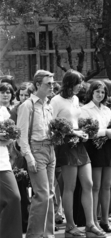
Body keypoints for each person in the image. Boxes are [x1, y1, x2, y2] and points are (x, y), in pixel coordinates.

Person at [50, 69, 106, 238]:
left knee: (88, 184)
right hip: (66, 145)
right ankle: (70, 225)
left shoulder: (75, 99)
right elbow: (52, 125)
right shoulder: (56, 101)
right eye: (79, 82)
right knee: (70, 187)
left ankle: (90, 224)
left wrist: (84, 130)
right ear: (70, 83)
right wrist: (72, 133)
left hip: (80, 144)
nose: (82, 85)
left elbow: (76, 120)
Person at [17, 69, 56, 238]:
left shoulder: (48, 104)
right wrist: (29, 156)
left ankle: (48, 234)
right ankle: (34, 235)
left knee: (49, 193)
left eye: (53, 83)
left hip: (50, 149)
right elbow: (21, 135)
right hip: (37, 149)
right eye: (49, 84)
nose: (52, 86)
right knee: (41, 194)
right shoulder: (27, 105)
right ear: (38, 85)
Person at [81, 81, 111, 233]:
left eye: (103, 92)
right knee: (95, 186)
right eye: (97, 91)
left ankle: (104, 219)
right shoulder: (85, 109)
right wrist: (105, 132)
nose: (100, 94)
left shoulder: (107, 109)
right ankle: (93, 222)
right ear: (91, 92)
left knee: (107, 185)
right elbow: (87, 132)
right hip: (94, 148)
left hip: (108, 147)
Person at [0, 105, 22, 238]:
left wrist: (9, 137)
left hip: (2, 162)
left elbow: (10, 136)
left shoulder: (2, 110)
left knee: (14, 197)